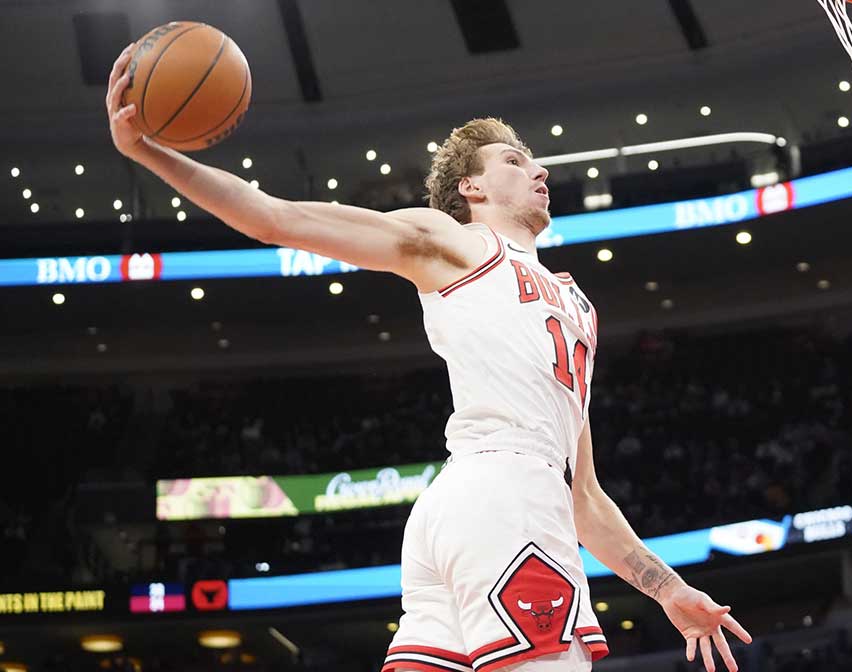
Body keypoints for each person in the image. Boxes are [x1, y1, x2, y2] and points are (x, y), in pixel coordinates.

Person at [105, 44, 751, 672]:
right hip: (508, 497)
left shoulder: (578, 305)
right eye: (514, 160)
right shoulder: (461, 243)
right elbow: (275, 218)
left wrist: (667, 588)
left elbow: (583, 497)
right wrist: (148, 151)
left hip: (470, 506)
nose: (540, 172)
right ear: (471, 187)